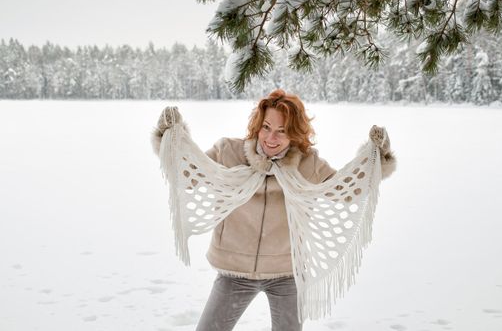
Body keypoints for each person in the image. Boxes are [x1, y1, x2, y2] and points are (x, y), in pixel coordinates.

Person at [151, 89, 396, 331]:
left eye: (282, 131)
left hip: (286, 274)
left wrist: (375, 159)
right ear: (258, 125)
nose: (271, 138)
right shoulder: (229, 153)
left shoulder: (306, 164)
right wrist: (170, 137)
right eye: (266, 127)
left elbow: (345, 190)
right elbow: (187, 173)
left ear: (295, 135)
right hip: (234, 271)